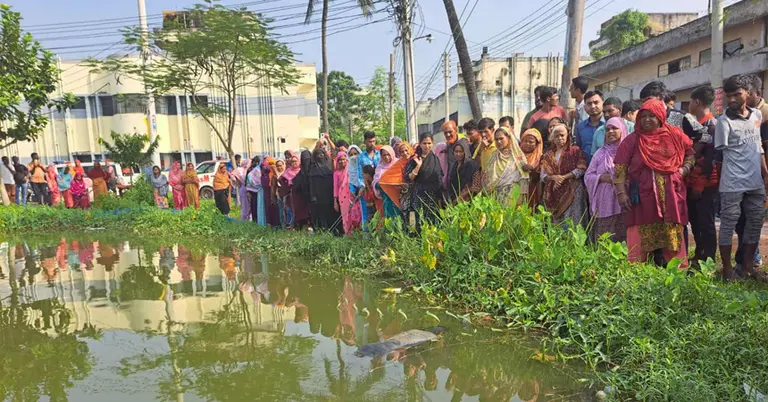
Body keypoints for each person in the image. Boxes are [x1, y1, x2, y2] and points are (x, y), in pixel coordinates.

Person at [614, 98, 694, 268]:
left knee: (672, 235)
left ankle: (678, 274)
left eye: (652, 116)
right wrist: (621, 193)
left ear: (660, 117)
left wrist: (683, 170)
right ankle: (634, 275)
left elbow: (690, 154)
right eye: (643, 116)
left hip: (671, 195)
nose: (647, 120)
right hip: (642, 196)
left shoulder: (675, 135)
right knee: (637, 235)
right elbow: (620, 169)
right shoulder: (632, 140)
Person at [716, 74, 767, 281]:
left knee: (755, 223)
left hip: (755, 182)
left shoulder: (757, 116)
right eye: (729, 96)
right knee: (728, 224)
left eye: (737, 94)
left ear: (748, 92)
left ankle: (748, 267)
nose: (732, 100)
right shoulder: (723, 121)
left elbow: (759, 148)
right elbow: (719, 158)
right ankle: (728, 270)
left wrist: (765, 173)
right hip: (733, 183)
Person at [686, 85, 719, 267]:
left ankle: (709, 260)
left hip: (705, 182)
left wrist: (700, 183)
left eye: (690, 101)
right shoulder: (697, 124)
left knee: (705, 221)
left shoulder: (711, 125)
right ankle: (699, 254)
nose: (689, 105)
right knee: (695, 220)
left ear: (697, 102)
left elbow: (709, 158)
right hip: (693, 180)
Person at [585, 117, 628, 243]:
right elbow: (588, 176)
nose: (610, 131)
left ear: (622, 130)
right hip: (604, 204)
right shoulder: (600, 153)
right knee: (604, 240)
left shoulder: (628, 152)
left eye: (615, 128)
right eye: (607, 129)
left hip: (623, 200)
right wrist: (602, 177)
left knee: (623, 239)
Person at [541, 123, 588, 226]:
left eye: (562, 135)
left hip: (573, 190)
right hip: (554, 192)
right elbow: (543, 176)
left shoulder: (575, 151)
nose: (560, 138)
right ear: (552, 138)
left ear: (567, 135)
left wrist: (564, 177)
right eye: (556, 136)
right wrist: (554, 178)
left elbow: (581, 168)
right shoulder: (548, 155)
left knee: (573, 221)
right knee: (557, 224)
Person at [406, 133, 443, 231]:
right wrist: (418, 166)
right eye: (424, 143)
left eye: (429, 143)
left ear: (433, 143)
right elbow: (409, 178)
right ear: (420, 144)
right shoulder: (414, 159)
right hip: (418, 195)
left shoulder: (435, 159)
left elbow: (439, 177)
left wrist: (440, 197)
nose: (427, 146)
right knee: (418, 224)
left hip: (432, 196)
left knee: (433, 224)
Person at [483, 127, 528, 206]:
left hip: (512, 194)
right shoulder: (493, 156)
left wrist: (521, 199)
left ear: (509, 138)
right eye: (496, 139)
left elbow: (524, 177)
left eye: (501, 139)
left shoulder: (517, 157)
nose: (499, 142)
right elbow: (488, 177)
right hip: (493, 195)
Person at [378, 141, 414, 220]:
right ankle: (407, 231)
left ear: (410, 149)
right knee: (406, 215)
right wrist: (400, 185)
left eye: (406, 150)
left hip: (416, 191)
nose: (404, 153)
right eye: (402, 152)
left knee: (417, 213)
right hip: (404, 194)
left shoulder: (416, 160)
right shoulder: (399, 163)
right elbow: (384, 180)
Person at [309, 148, 340, 232]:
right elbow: (312, 184)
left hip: (329, 193)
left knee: (331, 212)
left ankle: (333, 229)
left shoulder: (329, 165)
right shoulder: (313, 167)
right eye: (318, 155)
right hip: (319, 195)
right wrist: (313, 196)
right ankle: (323, 229)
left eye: (322, 154)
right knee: (321, 213)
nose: (320, 156)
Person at [333, 151, 362, 234]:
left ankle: (357, 233)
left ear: (347, 160)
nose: (342, 161)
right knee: (345, 216)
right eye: (340, 160)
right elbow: (335, 187)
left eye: (344, 159)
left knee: (355, 213)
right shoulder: (336, 173)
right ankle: (348, 234)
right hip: (342, 197)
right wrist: (335, 201)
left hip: (352, 194)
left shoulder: (351, 169)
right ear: (337, 161)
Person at [446, 137, 481, 204]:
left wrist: (462, 196)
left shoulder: (472, 165)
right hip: (455, 202)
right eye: (456, 151)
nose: (458, 154)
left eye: (461, 151)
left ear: (465, 152)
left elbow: (476, 186)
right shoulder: (455, 165)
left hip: (469, 201)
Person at [436, 120, 469, 191]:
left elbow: (467, 163)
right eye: (445, 133)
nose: (448, 135)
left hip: (461, 184)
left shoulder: (463, 143)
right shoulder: (447, 145)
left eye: (450, 132)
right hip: (450, 184)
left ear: (456, 130)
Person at [574, 90, 604, 163]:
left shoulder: (611, 126)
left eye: (596, 102)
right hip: (586, 170)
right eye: (589, 104)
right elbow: (579, 149)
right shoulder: (580, 127)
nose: (593, 106)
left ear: (603, 103)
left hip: (607, 170)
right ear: (585, 107)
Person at [358, 132, 380, 227]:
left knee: (379, 210)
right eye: (369, 141)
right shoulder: (361, 157)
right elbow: (359, 173)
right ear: (365, 142)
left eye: (374, 141)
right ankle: (367, 234)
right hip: (366, 187)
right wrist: (362, 186)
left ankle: (379, 232)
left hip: (378, 187)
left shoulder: (380, 154)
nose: (372, 144)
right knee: (367, 211)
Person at [520, 128, 544, 208]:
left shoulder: (541, 158)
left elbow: (540, 177)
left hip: (533, 191)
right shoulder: (516, 156)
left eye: (531, 142)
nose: (527, 144)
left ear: (537, 144)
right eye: (525, 141)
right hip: (516, 191)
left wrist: (532, 170)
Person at [373, 145, 396, 217]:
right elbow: (375, 182)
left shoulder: (397, 164)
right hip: (386, 197)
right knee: (388, 217)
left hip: (397, 196)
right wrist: (379, 184)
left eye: (388, 154)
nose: (386, 157)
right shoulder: (379, 167)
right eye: (384, 155)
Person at [246, 156, 265, 225]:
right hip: (253, 191)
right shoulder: (251, 170)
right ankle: (255, 221)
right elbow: (248, 181)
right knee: (254, 206)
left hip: (261, 190)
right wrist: (248, 191)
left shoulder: (262, 168)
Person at [274, 159, 286, 227]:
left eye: (280, 165)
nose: (279, 167)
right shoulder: (275, 175)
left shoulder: (287, 173)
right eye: (277, 166)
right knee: (281, 211)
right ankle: (283, 226)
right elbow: (274, 187)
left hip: (287, 195)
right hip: (279, 196)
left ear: (284, 165)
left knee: (287, 211)